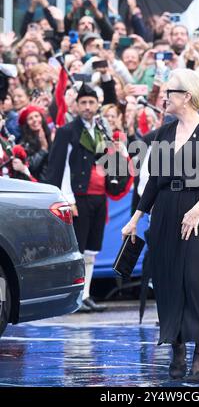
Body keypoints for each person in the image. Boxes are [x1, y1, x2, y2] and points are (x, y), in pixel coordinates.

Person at [121, 68, 199, 382]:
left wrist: (198, 208)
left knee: (192, 278)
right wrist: (136, 218)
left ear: (186, 96)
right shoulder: (164, 132)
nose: (164, 96)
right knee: (167, 279)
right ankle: (177, 347)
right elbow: (154, 181)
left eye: (169, 91)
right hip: (166, 210)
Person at [46, 83, 109, 313]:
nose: (87, 107)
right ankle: (76, 297)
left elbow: (106, 163)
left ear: (97, 105)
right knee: (79, 250)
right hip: (78, 197)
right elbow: (60, 167)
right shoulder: (67, 131)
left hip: (98, 197)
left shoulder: (101, 130)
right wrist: (68, 199)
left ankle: (87, 294)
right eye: (83, 102)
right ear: (75, 105)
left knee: (92, 249)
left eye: (91, 102)